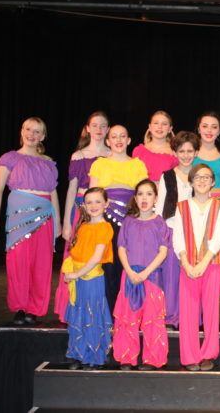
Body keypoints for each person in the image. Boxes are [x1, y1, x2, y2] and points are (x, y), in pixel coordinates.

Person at [0, 116, 61, 326]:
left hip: (45, 217)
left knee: (41, 263)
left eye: (37, 131)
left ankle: (34, 309)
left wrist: (58, 222)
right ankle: (20, 307)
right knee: (18, 262)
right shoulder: (9, 158)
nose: (32, 134)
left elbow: (53, 193)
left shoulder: (48, 163)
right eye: (28, 129)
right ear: (22, 131)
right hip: (19, 216)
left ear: (43, 136)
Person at [172, 164, 220, 371]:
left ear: (213, 182)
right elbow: (178, 237)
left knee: (210, 311)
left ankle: (208, 354)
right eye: (197, 177)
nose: (201, 181)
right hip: (187, 266)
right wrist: (186, 263)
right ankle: (190, 356)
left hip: (212, 265)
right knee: (188, 313)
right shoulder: (181, 206)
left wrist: (205, 261)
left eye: (206, 177)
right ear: (190, 181)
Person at [55, 111, 110, 323]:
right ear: (87, 128)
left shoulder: (112, 154)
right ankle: (71, 306)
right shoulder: (78, 156)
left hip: (102, 213)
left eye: (102, 126)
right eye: (94, 125)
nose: (98, 129)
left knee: (99, 258)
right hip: (80, 210)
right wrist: (67, 222)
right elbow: (71, 189)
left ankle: (96, 306)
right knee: (76, 257)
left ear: (107, 129)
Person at [89, 125, 148, 313]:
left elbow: (143, 196)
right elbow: (93, 196)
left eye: (123, 136)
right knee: (108, 265)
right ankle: (109, 312)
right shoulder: (99, 164)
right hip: (106, 221)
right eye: (114, 136)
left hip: (131, 220)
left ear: (129, 140)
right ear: (108, 141)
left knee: (130, 263)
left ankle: (129, 311)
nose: (118, 140)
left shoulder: (138, 164)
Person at [113, 179, 170, 371]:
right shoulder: (128, 222)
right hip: (129, 277)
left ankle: (153, 360)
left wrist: (145, 273)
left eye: (149, 194)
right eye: (140, 194)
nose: (144, 198)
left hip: (151, 277)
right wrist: (129, 271)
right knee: (127, 318)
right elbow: (121, 248)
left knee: (153, 320)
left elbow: (163, 252)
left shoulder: (160, 223)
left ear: (155, 198)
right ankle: (126, 358)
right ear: (135, 198)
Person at [62, 187, 114, 370]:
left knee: (92, 314)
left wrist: (77, 273)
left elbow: (96, 257)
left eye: (98, 201)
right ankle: (78, 353)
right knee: (79, 314)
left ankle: (94, 354)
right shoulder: (83, 226)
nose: (93, 206)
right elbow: (77, 253)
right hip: (79, 279)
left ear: (106, 204)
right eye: (89, 202)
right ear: (83, 205)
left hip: (92, 279)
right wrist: (71, 268)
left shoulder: (105, 227)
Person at [155, 130, 202, 328]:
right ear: (175, 152)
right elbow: (159, 207)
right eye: (181, 151)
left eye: (190, 151)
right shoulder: (167, 176)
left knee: (192, 276)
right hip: (172, 230)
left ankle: (192, 316)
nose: (185, 155)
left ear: (196, 152)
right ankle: (172, 316)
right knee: (172, 275)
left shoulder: (201, 175)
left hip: (195, 233)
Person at [132, 110, 178, 182]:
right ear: (150, 127)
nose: (160, 127)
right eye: (156, 123)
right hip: (144, 192)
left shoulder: (176, 153)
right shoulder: (138, 151)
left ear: (170, 129)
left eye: (164, 124)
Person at [193, 112, 220, 199]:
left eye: (214, 127)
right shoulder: (190, 152)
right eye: (205, 126)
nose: (209, 130)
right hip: (194, 201)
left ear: (219, 131)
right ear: (199, 129)